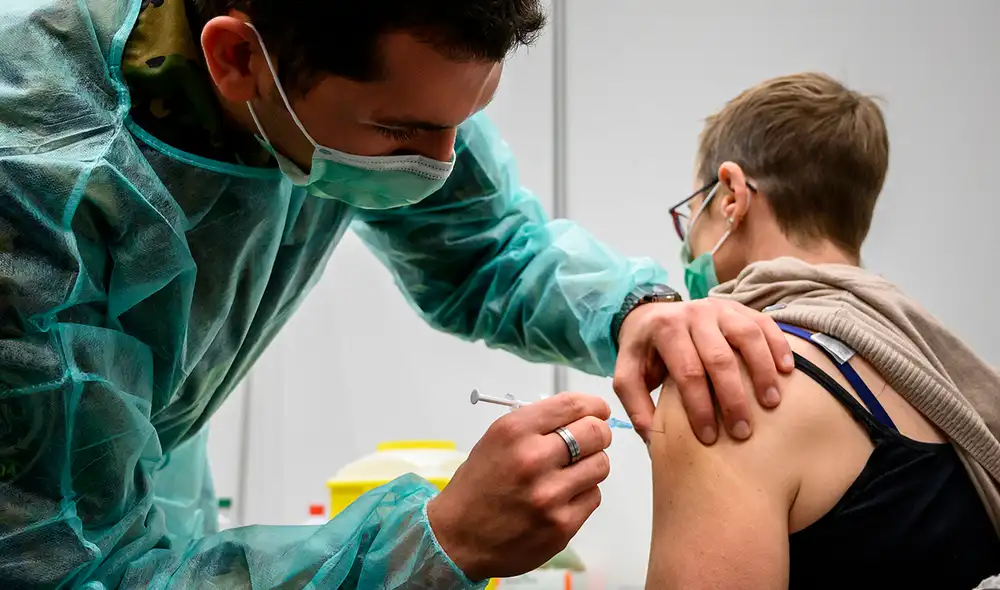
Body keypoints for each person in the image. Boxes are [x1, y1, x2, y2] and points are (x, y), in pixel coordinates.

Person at [0, 1, 796, 587]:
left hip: (160, 490)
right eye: (402, 134)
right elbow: (70, 574)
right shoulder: (36, 193)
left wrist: (640, 311)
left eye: (465, 122)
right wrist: (429, 539)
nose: (442, 167)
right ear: (238, 58)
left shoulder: (343, 81)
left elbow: (488, 248)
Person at [646, 72, 1000, 589]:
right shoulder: (945, 385)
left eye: (689, 218)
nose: (689, 247)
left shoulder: (731, 382)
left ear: (731, 197)